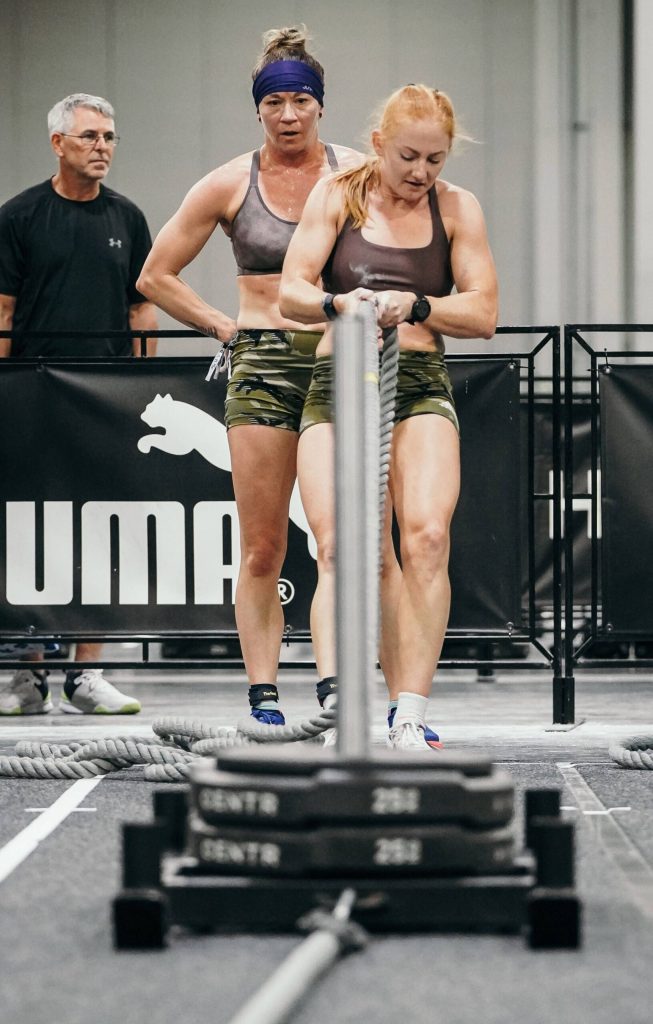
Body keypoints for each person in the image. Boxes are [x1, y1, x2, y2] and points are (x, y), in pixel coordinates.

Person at [136, 27, 361, 729]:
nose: (288, 115)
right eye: (275, 103)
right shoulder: (230, 183)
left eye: (300, 101)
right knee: (263, 544)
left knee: (334, 541)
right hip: (260, 362)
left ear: (320, 106)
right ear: (258, 110)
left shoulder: (356, 174)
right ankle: (263, 692)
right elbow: (153, 275)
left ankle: (334, 685)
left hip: (336, 362)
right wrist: (219, 325)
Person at [279, 83, 499, 750]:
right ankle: (340, 706)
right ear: (378, 144)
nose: (419, 173)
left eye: (434, 160)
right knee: (343, 547)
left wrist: (418, 305)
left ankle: (409, 712)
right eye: (408, 156)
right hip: (336, 380)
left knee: (426, 538)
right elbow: (290, 292)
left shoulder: (456, 208)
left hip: (417, 381)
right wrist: (341, 306)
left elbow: (483, 313)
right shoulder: (336, 194)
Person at [0, 92, 158, 716]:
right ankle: (27, 675)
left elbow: (141, 304)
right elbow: (4, 312)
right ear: (58, 144)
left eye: (110, 137)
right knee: (30, 532)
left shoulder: (128, 219)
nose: (102, 148)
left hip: (104, 401)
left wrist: (141, 386)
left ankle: (87, 675)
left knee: (100, 533)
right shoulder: (19, 217)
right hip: (32, 400)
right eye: (90, 137)